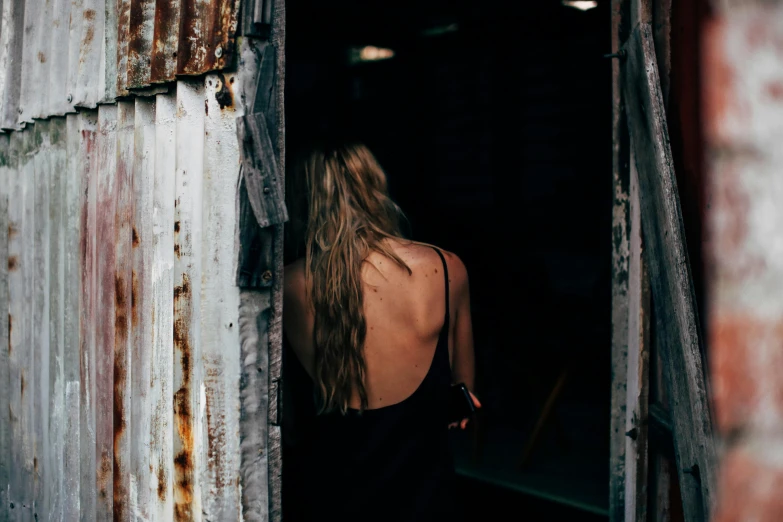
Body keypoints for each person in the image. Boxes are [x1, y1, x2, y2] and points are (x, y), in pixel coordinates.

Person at [283, 140, 480, 521]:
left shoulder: (286, 288)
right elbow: (463, 396)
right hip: (425, 502)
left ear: (303, 200)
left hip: (326, 500)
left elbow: (286, 423)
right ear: (376, 189)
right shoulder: (445, 268)